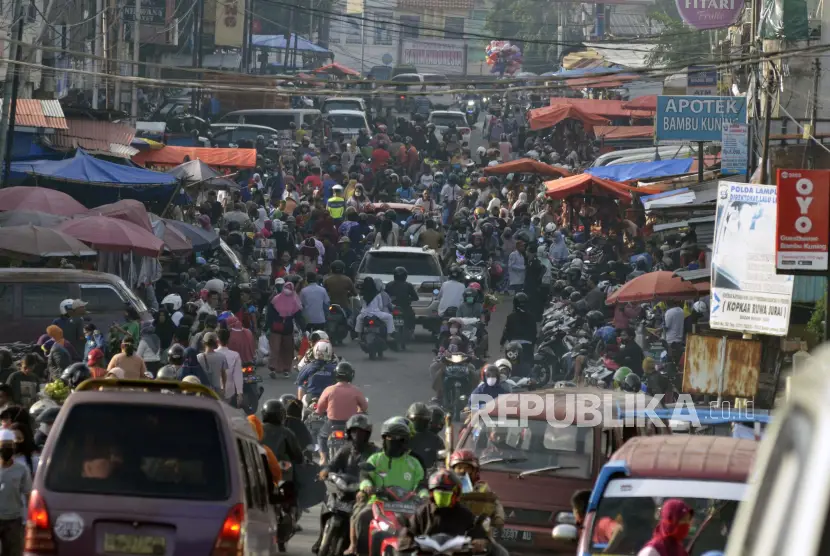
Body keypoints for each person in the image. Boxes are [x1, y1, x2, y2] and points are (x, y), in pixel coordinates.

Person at [347, 417, 425, 555]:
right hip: (378, 503)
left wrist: (424, 495)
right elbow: (365, 476)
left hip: (408, 506)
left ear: (405, 441)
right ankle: (358, 550)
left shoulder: (414, 463)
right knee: (361, 516)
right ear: (384, 439)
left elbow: (421, 484)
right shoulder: (376, 459)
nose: (393, 441)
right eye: (389, 437)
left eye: (398, 438)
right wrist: (366, 487)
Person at [312, 413, 379, 554]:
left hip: (361, 493)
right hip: (342, 487)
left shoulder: (375, 453)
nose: (357, 435)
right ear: (349, 432)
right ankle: (320, 538)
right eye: (354, 431)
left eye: (360, 432)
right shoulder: (345, 449)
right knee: (326, 502)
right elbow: (332, 465)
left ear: (367, 433)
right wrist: (325, 472)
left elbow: (378, 473)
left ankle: (359, 547)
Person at [397, 469, 489, 553]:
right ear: (432, 493)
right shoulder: (422, 512)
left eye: (447, 490)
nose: (442, 493)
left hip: (456, 554)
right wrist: (406, 540)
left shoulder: (465, 514)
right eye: (438, 490)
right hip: (427, 554)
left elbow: (476, 532)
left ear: (456, 493)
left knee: (498, 551)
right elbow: (409, 531)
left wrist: (479, 541)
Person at [315, 362, 367, 465]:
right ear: (351, 375)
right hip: (349, 424)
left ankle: (323, 459)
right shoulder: (356, 391)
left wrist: (319, 412)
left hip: (332, 423)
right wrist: (360, 411)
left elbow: (320, 408)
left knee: (321, 436)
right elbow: (364, 407)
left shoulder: (329, 390)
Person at [448, 450, 505, 530]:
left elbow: (495, 502)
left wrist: (498, 517)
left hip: (476, 531)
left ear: (475, 471)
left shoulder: (482, 487)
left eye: (467, 468)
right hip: (451, 529)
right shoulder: (446, 487)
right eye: (459, 468)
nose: (463, 471)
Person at [0, 428, 32, 555]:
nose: (6, 449)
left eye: (9, 446)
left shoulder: (21, 469)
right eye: (3, 446)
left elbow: (28, 494)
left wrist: (30, 520)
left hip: (13, 520)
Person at [267, 282, 305, 378]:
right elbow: (298, 316)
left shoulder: (275, 299)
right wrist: (303, 328)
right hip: (287, 327)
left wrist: (267, 326)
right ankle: (285, 369)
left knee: (276, 348)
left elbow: (269, 315)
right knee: (287, 349)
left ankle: (274, 368)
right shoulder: (295, 301)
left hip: (276, 327)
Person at [407, 402, 445, 472]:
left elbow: (442, 463)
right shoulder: (403, 437)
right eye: (415, 419)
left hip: (428, 476)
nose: (419, 422)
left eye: (422, 420)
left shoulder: (435, 439)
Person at [384, 267, 419, 336]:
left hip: (393, 308)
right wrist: (408, 299)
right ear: (405, 276)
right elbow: (415, 297)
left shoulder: (389, 285)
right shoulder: (408, 285)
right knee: (412, 316)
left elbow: (385, 297)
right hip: (403, 307)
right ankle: (411, 331)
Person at [216, 329, 244, 407]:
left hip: (213, 392)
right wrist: (239, 393)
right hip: (229, 392)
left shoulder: (210, 355)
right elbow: (238, 375)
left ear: (217, 340)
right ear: (228, 340)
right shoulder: (235, 355)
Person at [663, 300, 686, 365]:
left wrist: (662, 327)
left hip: (671, 340)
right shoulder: (681, 311)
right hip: (679, 339)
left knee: (670, 361)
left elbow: (667, 327)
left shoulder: (669, 312)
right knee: (678, 360)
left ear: (666, 303)